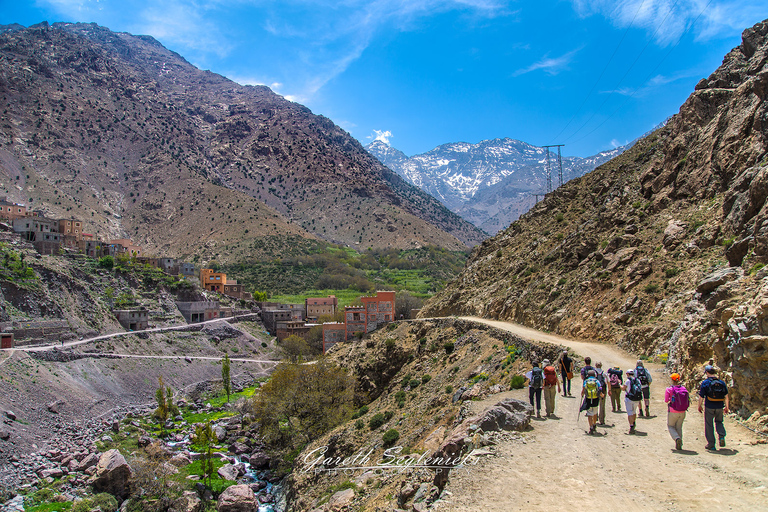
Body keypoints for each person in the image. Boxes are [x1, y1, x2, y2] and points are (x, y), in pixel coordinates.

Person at [698, 365, 729, 451]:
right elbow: (726, 396)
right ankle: (721, 436)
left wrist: (699, 406)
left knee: (709, 424)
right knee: (719, 422)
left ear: (707, 373)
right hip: (719, 406)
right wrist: (727, 407)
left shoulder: (705, 383)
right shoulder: (721, 383)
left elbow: (701, 396)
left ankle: (711, 444)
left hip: (709, 406)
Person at [664, 373, 690, 450]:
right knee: (679, 427)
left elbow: (666, 400)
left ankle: (677, 438)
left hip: (673, 411)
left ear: (672, 380)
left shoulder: (669, 389)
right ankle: (679, 444)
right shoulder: (684, 389)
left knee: (670, 426)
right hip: (682, 411)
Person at [581, 369, 604, 434]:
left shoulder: (586, 381)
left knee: (589, 413)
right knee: (595, 412)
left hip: (588, 398)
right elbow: (600, 388)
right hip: (595, 398)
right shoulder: (597, 381)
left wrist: (582, 394)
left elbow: (583, 389)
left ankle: (590, 427)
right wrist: (602, 395)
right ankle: (594, 424)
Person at [622, 368, 643, 434]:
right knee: (634, 411)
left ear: (628, 374)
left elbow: (623, 389)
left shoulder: (628, 381)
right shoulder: (638, 380)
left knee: (630, 412)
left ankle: (631, 426)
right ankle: (633, 422)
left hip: (629, 399)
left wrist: (620, 385)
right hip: (636, 399)